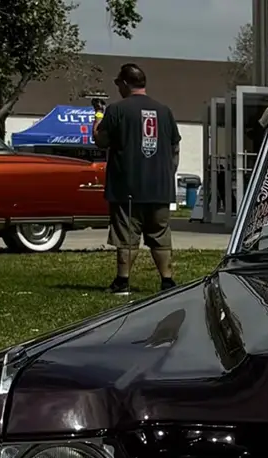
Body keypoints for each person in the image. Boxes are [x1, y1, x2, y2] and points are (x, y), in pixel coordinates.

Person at [92, 63, 181, 295]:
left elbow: (101, 140)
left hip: (127, 186)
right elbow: (175, 147)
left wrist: (97, 117)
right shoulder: (165, 111)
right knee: (160, 235)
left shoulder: (117, 109)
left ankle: (122, 281)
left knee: (127, 236)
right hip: (160, 187)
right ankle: (167, 281)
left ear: (124, 83)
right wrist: (168, 174)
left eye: (118, 84)